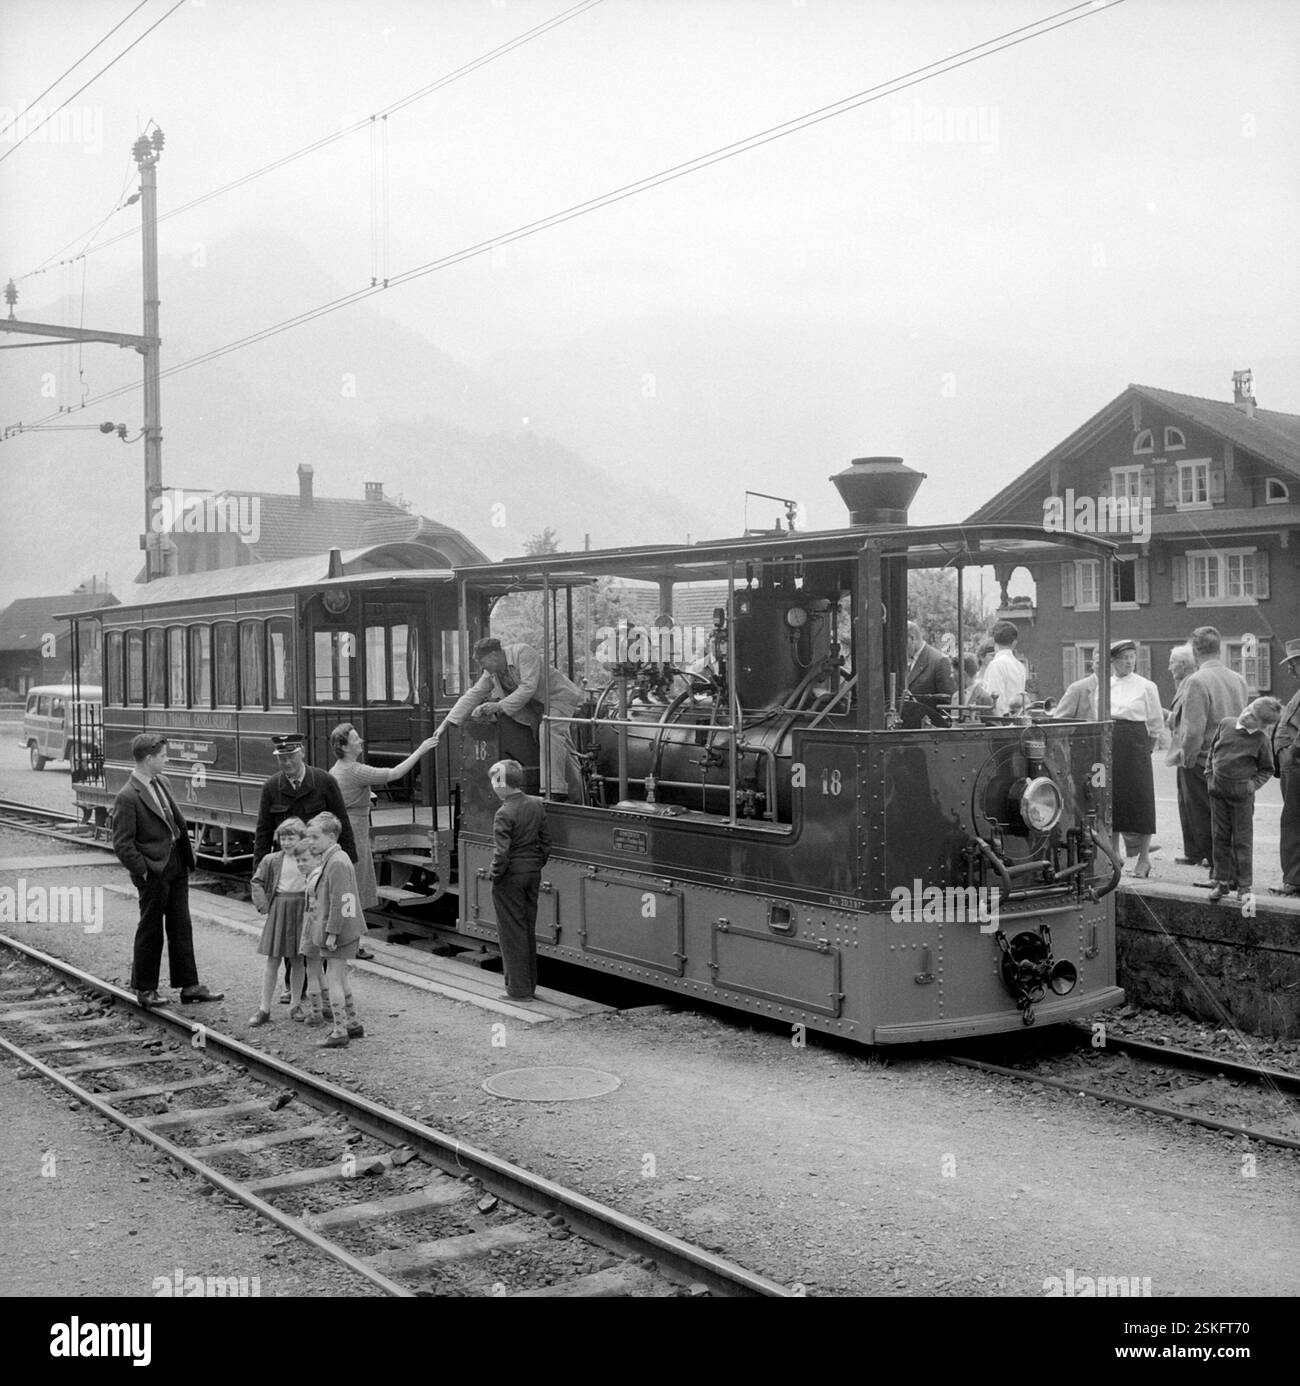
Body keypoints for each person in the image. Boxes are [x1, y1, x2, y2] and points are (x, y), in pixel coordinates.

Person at [111, 733, 223, 1009]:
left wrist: (185, 857)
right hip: (153, 871)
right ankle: (145, 988)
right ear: (148, 759)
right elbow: (122, 843)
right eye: (162, 756)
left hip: (176, 864)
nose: (167, 759)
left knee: (181, 925)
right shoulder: (127, 796)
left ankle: (189, 985)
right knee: (150, 929)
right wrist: (144, 871)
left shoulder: (162, 782)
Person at [254, 731, 362, 980]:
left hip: (320, 869)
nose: (287, 763)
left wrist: (348, 863)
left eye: (291, 756)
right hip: (290, 874)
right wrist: (259, 875)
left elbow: (341, 822)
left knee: (320, 923)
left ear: (301, 753)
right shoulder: (272, 787)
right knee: (294, 931)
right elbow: (262, 832)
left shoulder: (324, 781)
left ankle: (320, 983)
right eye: (282, 759)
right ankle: (294, 987)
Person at [431, 638, 584, 800]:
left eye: (483, 662)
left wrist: (498, 706)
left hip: (558, 697)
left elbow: (528, 687)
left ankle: (554, 792)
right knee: (559, 748)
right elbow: (473, 694)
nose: (482, 667)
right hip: (536, 707)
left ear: (494, 655)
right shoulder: (492, 672)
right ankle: (578, 796)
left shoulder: (523, 653)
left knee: (548, 732)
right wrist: (445, 724)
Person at [1167, 627, 1249, 877]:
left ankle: (1218, 873)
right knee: (1230, 819)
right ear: (1220, 648)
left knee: (1205, 818)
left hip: (1205, 760)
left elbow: (1194, 731)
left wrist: (1187, 759)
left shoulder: (1196, 681)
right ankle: (1232, 872)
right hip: (1234, 758)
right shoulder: (1238, 679)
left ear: (1194, 651)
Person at [329, 723, 438, 910]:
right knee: (355, 877)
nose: (360, 741)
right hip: (355, 832)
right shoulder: (355, 771)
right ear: (345, 747)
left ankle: (347, 923)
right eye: (355, 739)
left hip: (346, 827)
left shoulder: (337, 769)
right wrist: (421, 750)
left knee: (349, 878)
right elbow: (395, 773)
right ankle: (350, 927)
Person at [1205, 697, 1283, 903]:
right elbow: (1212, 751)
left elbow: (1267, 769)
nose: (1246, 715)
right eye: (1248, 709)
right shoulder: (1226, 724)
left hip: (1241, 796)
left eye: (1252, 718)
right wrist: (1209, 775)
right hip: (1218, 792)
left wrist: (1251, 786)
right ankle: (1221, 882)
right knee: (1219, 837)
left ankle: (1244, 886)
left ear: (1262, 725)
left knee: (1242, 841)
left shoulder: (1261, 740)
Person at [299, 812, 366, 1047]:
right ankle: (353, 1024)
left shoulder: (336, 862)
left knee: (333, 979)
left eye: (315, 837)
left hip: (338, 932)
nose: (311, 842)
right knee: (341, 976)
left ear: (330, 836)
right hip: (344, 929)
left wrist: (334, 932)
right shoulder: (337, 858)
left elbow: (341, 900)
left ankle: (339, 1032)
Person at [488, 758, 551, 1002]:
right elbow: (546, 842)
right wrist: (536, 863)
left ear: (502, 783)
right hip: (532, 873)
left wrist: (495, 874)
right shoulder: (536, 804)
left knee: (511, 933)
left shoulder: (504, 812)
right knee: (527, 929)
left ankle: (518, 990)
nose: (493, 787)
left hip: (510, 877)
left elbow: (501, 853)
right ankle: (530, 986)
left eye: (494, 781)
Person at [1107, 639, 1164, 877]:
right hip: (1110, 742)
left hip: (1136, 743)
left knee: (1140, 799)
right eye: (1124, 658)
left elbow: (1155, 724)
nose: (1129, 661)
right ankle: (1113, 854)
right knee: (1111, 797)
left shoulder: (1146, 686)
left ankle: (1143, 858)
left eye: (1132, 657)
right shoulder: (1105, 684)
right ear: (1113, 661)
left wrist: (1145, 749)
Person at [248, 818, 309, 1026]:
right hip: (280, 908)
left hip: (302, 908)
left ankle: (295, 1004)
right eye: (283, 838)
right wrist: (264, 905)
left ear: (302, 838)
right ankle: (264, 1008)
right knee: (273, 959)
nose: (286, 843)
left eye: (291, 838)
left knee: (299, 959)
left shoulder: (309, 858)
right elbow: (256, 881)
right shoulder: (272, 859)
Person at [1163, 644, 1205, 866]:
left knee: (1195, 804)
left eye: (1172, 663)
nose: (1169, 668)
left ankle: (1201, 853)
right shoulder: (1184, 684)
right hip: (1183, 753)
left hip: (1190, 754)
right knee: (1186, 803)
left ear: (1183, 664)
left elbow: (1192, 723)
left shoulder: (1192, 683)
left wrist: (1188, 756)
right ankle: (1194, 851)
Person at [1270, 639, 1300, 897]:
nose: (1289, 669)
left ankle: (1294, 880)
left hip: (1297, 767)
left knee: (1293, 822)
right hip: (1292, 767)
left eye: (1293, 663)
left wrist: (1292, 752)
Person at [981, 621, 1027, 716]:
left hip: (1002, 720)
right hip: (1016, 718)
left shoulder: (996, 664)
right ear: (1014, 643)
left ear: (994, 641)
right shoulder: (1020, 666)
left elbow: (994, 700)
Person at [905, 621, 955, 698]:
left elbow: (947, 699)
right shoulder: (905, 661)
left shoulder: (939, 661)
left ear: (912, 638)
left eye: (902, 642)